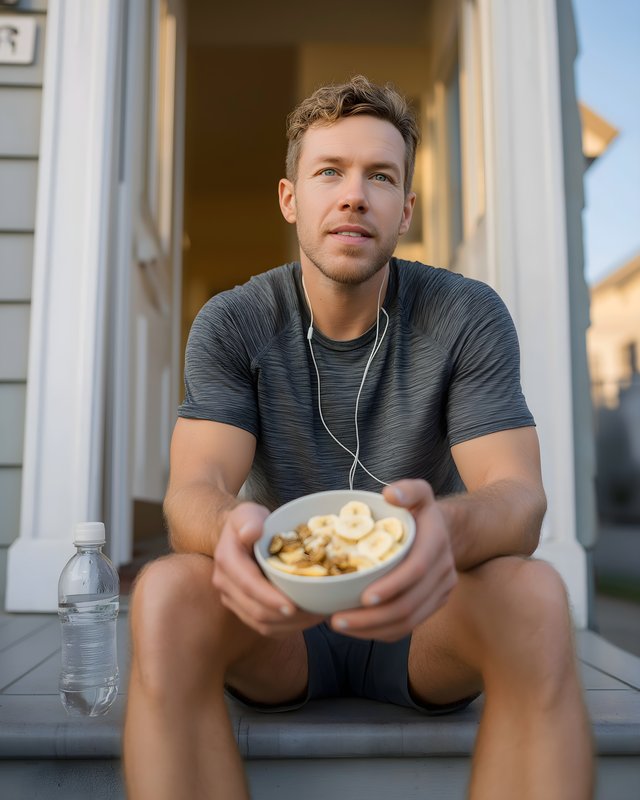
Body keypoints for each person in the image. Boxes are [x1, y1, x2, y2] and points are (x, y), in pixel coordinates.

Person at [123, 75, 594, 799]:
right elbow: (193, 490)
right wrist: (234, 527)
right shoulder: (234, 320)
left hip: (421, 612)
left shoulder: (465, 315)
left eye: (380, 176)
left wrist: (446, 526)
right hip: (279, 617)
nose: (354, 195)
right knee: (163, 592)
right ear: (292, 199)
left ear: (405, 208)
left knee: (535, 595)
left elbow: (519, 498)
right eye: (329, 173)